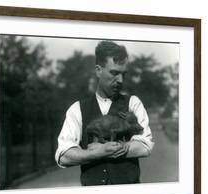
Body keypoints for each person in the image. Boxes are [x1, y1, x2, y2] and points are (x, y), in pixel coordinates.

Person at [55, 41, 154, 186]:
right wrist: (97, 153)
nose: (120, 80)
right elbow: (63, 156)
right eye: (114, 73)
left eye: (123, 74)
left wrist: (114, 149)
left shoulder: (133, 103)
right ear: (98, 70)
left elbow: (145, 146)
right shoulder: (77, 109)